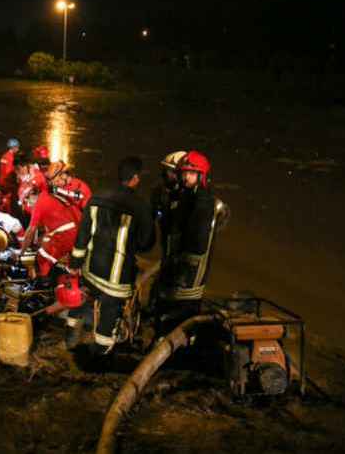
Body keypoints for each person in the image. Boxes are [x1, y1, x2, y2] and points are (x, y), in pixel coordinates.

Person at [66, 157, 155, 357]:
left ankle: (71, 331)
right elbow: (146, 244)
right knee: (110, 308)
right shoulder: (140, 207)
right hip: (116, 278)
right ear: (135, 179)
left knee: (84, 297)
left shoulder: (96, 197)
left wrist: (75, 263)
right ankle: (101, 349)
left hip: (91, 270)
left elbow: (83, 235)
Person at [156, 151, 228, 329]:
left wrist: (179, 266)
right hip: (177, 273)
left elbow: (197, 244)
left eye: (191, 173)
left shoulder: (203, 202)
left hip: (188, 279)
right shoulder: (186, 198)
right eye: (184, 173)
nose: (186, 177)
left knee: (180, 324)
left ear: (201, 176)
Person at [21, 162, 82, 283]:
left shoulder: (41, 201)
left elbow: (30, 231)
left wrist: (22, 253)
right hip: (79, 231)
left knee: (42, 257)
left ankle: (43, 283)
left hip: (67, 234)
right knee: (48, 243)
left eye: (28, 199)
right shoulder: (57, 194)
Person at [150, 151, 188, 291]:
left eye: (170, 171)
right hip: (167, 241)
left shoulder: (190, 196)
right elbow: (152, 216)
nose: (166, 174)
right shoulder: (160, 191)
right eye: (165, 171)